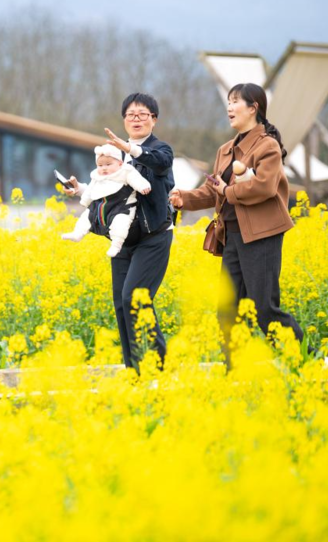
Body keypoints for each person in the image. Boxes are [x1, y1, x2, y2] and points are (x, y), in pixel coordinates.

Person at [169, 82, 306, 347]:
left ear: (253, 108)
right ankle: (237, 368)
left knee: (264, 310)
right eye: (228, 102)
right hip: (232, 236)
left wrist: (227, 191)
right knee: (228, 312)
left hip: (261, 236)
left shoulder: (268, 146)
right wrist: (184, 198)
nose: (229, 107)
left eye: (235, 102)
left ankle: (308, 358)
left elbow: (265, 187)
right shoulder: (225, 150)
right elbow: (213, 191)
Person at [64, 93, 175, 372]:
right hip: (124, 238)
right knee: (121, 305)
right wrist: (80, 189)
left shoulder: (159, 150)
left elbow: (160, 165)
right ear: (124, 120)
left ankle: (157, 366)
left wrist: (131, 149)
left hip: (153, 236)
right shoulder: (114, 154)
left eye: (143, 114)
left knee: (134, 298)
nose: (136, 119)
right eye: (130, 115)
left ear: (154, 120)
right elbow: (110, 189)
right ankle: (134, 372)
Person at [61, 144, 152, 257]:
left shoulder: (125, 171)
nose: (104, 168)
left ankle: (116, 245)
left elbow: (136, 179)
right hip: (101, 206)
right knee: (86, 216)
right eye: (100, 165)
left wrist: (143, 187)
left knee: (120, 223)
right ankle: (77, 233)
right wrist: (85, 201)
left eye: (108, 164)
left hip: (122, 207)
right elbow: (90, 190)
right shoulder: (97, 176)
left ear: (120, 163)